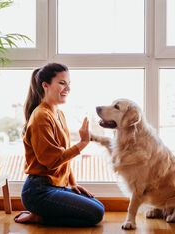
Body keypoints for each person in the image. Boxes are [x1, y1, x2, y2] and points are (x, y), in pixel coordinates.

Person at [14, 63, 104, 226]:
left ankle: (41, 214)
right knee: (96, 213)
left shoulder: (58, 113)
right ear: (45, 85)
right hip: (38, 191)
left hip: (56, 185)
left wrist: (72, 183)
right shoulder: (41, 116)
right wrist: (83, 143)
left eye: (69, 84)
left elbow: (63, 158)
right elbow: (51, 161)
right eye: (62, 83)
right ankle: (39, 216)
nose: (67, 88)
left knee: (98, 206)